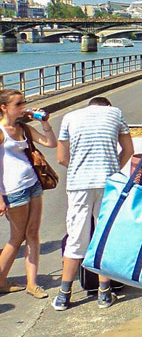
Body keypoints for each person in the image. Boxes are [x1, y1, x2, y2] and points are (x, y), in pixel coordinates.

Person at [52, 97, 134, 311]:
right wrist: (113, 169)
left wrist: (79, 168)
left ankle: (63, 295)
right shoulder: (116, 112)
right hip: (108, 183)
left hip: (79, 184)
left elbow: (61, 158)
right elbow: (128, 149)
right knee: (103, 237)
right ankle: (104, 293)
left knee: (76, 238)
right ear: (107, 106)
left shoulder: (69, 117)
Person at [0, 89, 58, 298]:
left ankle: (32, 284)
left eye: (23, 103)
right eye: (18, 104)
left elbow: (50, 143)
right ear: (4, 108)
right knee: (16, 238)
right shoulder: (1, 131)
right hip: (13, 190)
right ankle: (0, 281)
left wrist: (44, 123)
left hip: (33, 184)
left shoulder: (24, 127)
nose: (23, 107)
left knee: (33, 233)